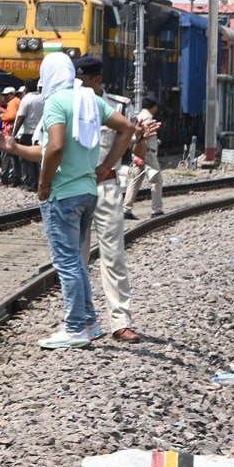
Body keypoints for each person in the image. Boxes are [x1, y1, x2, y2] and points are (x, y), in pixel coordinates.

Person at [0, 53, 135, 349]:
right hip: (88, 192)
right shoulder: (89, 100)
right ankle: (90, 323)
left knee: (67, 262)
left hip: (63, 194)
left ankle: (74, 328)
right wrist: (14, 148)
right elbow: (127, 128)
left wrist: (43, 184)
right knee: (77, 262)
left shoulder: (56, 102)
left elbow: (55, 148)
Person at [74, 56, 145, 344]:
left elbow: (138, 149)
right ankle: (80, 321)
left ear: (96, 80)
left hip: (106, 187)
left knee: (113, 255)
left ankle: (121, 321)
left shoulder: (119, 107)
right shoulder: (70, 103)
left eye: (83, 81)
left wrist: (140, 137)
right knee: (76, 256)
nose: (79, 86)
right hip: (76, 187)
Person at [122, 94, 164, 220]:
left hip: (138, 153)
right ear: (153, 107)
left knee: (135, 180)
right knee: (157, 181)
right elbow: (144, 137)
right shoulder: (148, 118)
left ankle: (126, 209)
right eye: (156, 107)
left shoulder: (139, 116)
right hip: (147, 154)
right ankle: (157, 210)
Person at [14, 85, 44, 191]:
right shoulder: (43, 98)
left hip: (28, 133)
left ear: (26, 89)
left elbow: (20, 117)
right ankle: (38, 183)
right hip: (40, 134)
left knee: (26, 159)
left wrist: (14, 133)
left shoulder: (27, 99)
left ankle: (30, 183)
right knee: (38, 160)